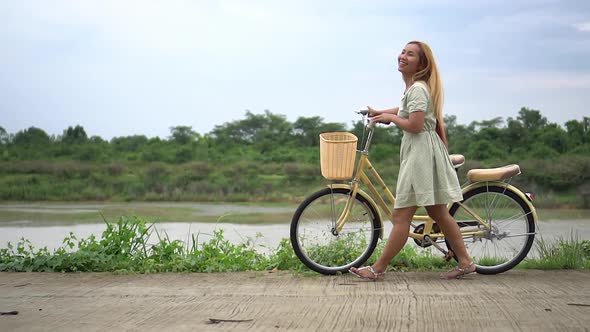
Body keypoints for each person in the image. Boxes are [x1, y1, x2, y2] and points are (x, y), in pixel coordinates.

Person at [349, 41, 476, 280]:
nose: (403, 56)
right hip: (420, 152)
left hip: (420, 156)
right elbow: (406, 110)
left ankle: (377, 269)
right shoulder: (415, 89)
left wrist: (389, 118)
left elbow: (415, 125)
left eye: (410, 54)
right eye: (402, 52)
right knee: (438, 213)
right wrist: (382, 113)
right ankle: (466, 262)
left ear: (421, 63)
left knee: (401, 217)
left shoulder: (418, 88)